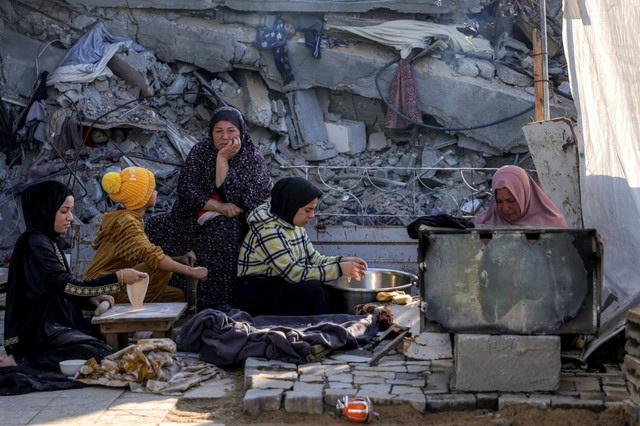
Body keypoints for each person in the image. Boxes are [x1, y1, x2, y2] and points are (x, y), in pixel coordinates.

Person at [0, 180, 148, 370]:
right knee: (99, 353)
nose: (70, 217)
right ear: (45, 210)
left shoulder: (47, 240)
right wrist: (117, 278)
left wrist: (90, 298)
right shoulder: (35, 244)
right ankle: (22, 361)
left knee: (108, 340)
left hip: (55, 322)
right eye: (64, 211)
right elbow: (65, 285)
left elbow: (57, 289)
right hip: (37, 330)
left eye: (70, 211)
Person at [145, 105, 272, 311]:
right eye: (218, 131)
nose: (224, 137)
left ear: (241, 132)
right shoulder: (201, 151)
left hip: (235, 221)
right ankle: (170, 293)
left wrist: (222, 160)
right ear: (211, 132)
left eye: (231, 131)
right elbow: (186, 188)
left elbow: (242, 199)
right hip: (194, 215)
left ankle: (217, 301)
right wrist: (218, 206)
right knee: (157, 225)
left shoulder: (252, 157)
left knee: (225, 228)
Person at [237, 177, 368, 316]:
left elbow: (313, 258)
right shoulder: (268, 230)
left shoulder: (291, 221)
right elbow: (294, 273)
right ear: (292, 205)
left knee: (326, 286)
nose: (312, 215)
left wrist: (341, 261)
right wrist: (339, 269)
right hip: (258, 294)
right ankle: (319, 328)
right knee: (313, 290)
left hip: (281, 283)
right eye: (307, 210)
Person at [83, 167, 208, 304]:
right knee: (159, 269)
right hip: (102, 288)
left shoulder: (128, 217)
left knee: (176, 296)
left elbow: (141, 256)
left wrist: (179, 259)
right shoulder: (127, 223)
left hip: (112, 282)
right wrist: (191, 271)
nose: (156, 192)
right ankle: (137, 320)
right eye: (153, 189)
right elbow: (152, 257)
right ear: (142, 197)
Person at [473, 165, 568, 227]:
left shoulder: (553, 226)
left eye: (511, 200)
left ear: (524, 196)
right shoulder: (483, 225)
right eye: (499, 201)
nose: (505, 208)